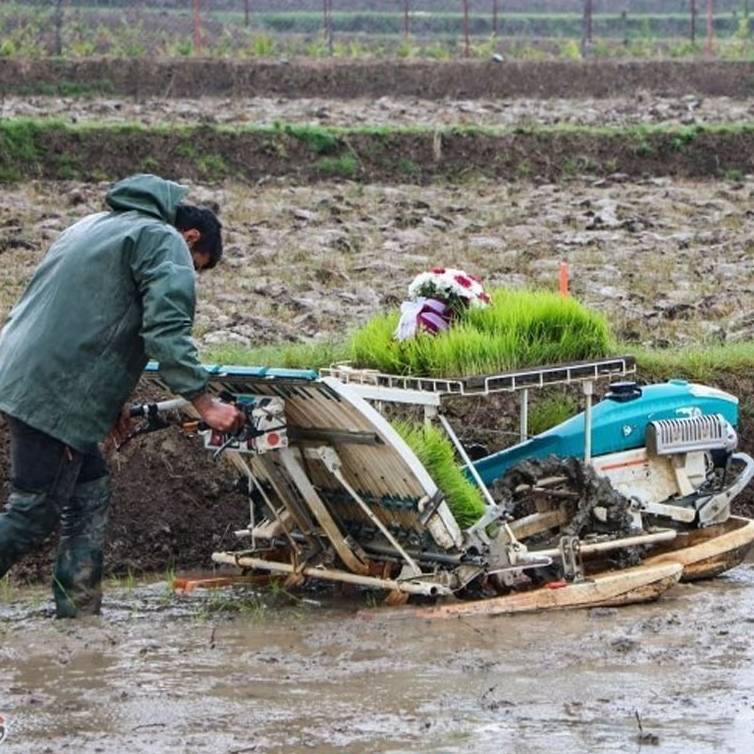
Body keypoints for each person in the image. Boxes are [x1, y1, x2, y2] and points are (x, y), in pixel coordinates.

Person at [0, 174, 244, 618]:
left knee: (89, 492)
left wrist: (111, 400)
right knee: (33, 512)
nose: (191, 273)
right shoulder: (163, 239)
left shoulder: (92, 225)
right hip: (58, 392)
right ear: (190, 237)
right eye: (197, 264)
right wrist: (205, 404)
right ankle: (76, 611)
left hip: (23, 373)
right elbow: (166, 330)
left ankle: (78, 617)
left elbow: (97, 318)